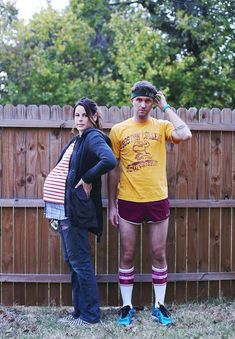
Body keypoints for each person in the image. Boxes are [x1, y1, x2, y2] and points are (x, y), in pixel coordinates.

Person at [108, 80, 192, 326]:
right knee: (127, 254)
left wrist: (165, 106)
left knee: (158, 252)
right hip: (128, 199)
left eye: (148, 101)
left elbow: (185, 134)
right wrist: (111, 204)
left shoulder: (163, 125)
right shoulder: (118, 130)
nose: (143, 105)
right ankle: (126, 307)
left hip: (157, 198)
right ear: (131, 100)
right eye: (139, 100)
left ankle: (160, 306)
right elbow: (113, 170)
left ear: (152, 103)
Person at [43, 97, 116, 327]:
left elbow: (109, 160)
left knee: (80, 262)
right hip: (63, 210)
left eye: (84, 114)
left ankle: (91, 316)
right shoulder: (79, 139)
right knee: (73, 261)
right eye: (77, 115)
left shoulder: (93, 136)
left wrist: (86, 178)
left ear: (93, 116)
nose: (80, 118)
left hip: (73, 210)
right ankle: (79, 313)